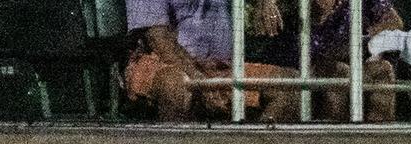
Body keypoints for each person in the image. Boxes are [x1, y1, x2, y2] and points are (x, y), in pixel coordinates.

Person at [124, 0, 300, 122]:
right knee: (177, 86)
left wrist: (267, 2)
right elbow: (158, 40)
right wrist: (199, 78)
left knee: (291, 85)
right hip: (163, 63)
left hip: (221, 65)